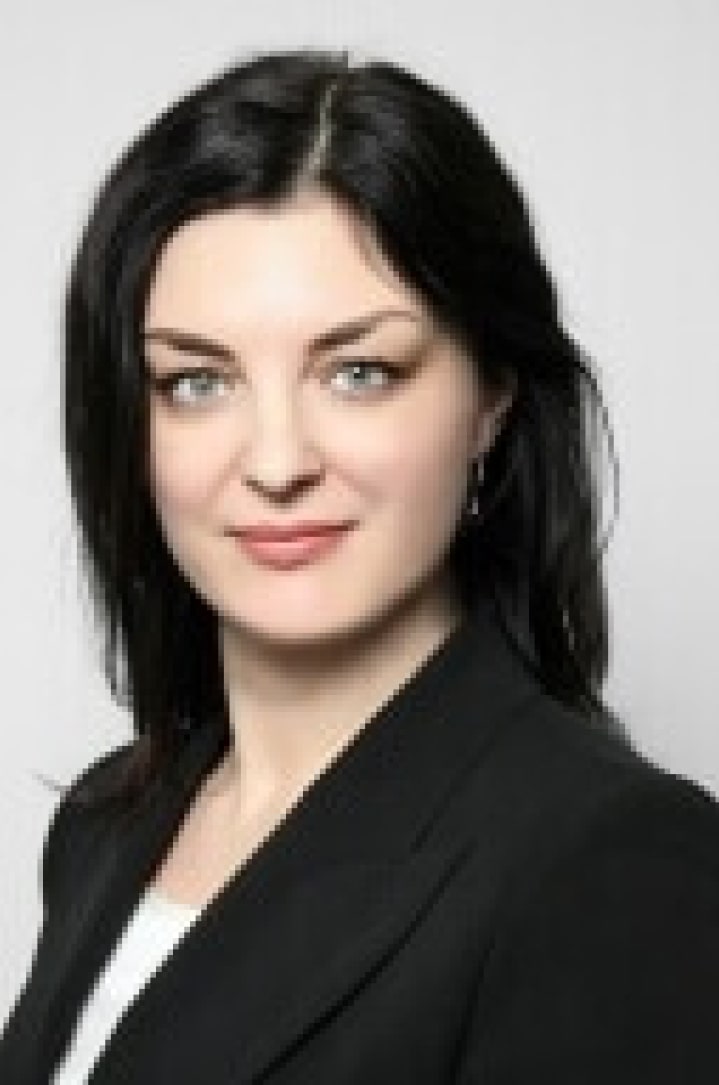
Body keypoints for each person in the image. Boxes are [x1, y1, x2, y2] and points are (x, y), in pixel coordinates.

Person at [1, 48, 717, 1083]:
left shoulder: (610, 858)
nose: (277, 462)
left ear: (491, 398)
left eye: (358, 371)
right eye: (197, 381)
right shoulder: (104, 821)